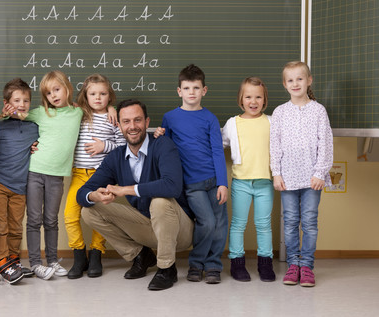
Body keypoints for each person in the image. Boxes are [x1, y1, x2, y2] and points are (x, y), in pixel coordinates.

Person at [77, 99, 194, 291]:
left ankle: (166, 268)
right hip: (147, 227)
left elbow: (172, 186)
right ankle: (141, 256)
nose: (132, 127)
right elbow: (82, 192)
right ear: (119, 125)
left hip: (179, 230)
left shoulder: (163, 145)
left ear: (147, 122)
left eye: (137, 120)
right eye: (126, 121)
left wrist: (126, 189)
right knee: (89, 211)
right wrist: (94, 196)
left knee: (160, 202)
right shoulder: (116, 157)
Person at [156, 64, 228, 284]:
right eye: (187, 88)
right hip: (192, 183)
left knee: (219, 223)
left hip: (214, 180)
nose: (191, 92)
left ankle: (213, 265)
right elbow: (164, 148)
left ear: (204, 90)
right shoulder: (170, 117)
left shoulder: (210, 119)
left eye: (196, 88)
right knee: (206, 222)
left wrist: (223, 183)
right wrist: (158, 134)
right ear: (179, 91)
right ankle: (196, 263)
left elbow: (217, 151)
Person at [270, 61, 333, 287]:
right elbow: (275, 146)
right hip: (287, 178)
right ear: (284, 84)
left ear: (309, 81)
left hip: (312, 179)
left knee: (309, 223)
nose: (295, 83)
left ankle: (307, 266)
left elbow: (325, 144)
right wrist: (276, 173)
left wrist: (320, 172)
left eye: (300, 78)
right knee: (289, 222)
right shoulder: (279, 112)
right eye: (290, 80)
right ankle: (293, 265)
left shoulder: (318, 110)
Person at [63, 74, 125, 279]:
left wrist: (104, 146)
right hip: (79, 174)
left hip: (102, 176)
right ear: (85, 95)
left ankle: (97, 253)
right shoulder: (78, 114)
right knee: (71, 215)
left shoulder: (113, 119)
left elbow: (123, 146)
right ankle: (79, 256)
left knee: (101, 215)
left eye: (103, 94)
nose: (98, 98)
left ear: (110, 96)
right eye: (93, 94)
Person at [23, 70, 83, 280]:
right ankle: (35, 263)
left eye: (57, 89)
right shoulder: (41, 112)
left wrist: (112, 109)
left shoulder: (78, 112)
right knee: (34, 219)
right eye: (49, 93)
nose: (54, 95)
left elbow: (102, 107)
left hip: (57, 176)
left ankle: (53, 259)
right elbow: (15, 117)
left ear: (67, 88)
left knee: (51, 220)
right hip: (35, 171)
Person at [222, 77, 275, 282]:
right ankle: (237, 263)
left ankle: (265, 264)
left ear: (264, 100)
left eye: (258, 97)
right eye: (248, 97)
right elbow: (221, 144)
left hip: (264, 183)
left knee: (263, 225)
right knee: (238, 224)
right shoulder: (232, 123)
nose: (253, 101)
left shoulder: (271, 121)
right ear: (241, 99)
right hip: (241, 183)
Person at [0, 78, 39, 284]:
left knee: (16, 225)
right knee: (1, 226)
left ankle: (13, 259)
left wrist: (37, 145)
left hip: (21, 186)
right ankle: (1, 260)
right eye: (16, 100)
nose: (21, 105)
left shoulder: (34, 127)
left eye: (26, 101)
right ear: (6, 102)